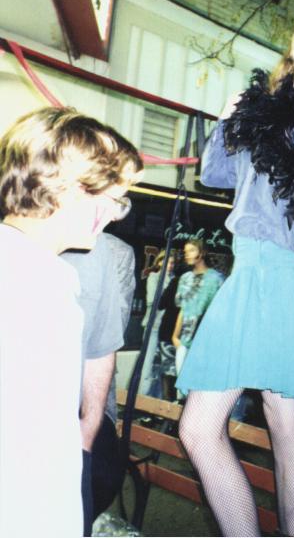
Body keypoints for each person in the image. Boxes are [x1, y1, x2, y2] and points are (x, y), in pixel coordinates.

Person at [176, 7, 294, 537]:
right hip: (247, 271)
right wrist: (228, 119)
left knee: (234, 428)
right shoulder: (262, 109)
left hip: (282, 273)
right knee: (279, 424)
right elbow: (215, 174)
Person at [0, 106, 143, 538]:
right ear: (66, 186)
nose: (115, 214)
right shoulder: (27, 280)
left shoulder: (49, 273)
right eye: (113, 198)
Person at [62, 232, 136, 534]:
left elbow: (108, 338)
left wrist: (89, 424)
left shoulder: (114, 252)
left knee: (99, 477)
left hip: (84, 396)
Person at [172, 239, 223, 391]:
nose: (187, 254)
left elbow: (220, 312)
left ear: (202, 253)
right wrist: (175, 336)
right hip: (185, 338)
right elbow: (183, 308)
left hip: (206, 338)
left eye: (191, 250)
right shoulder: (185, 278)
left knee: (200, 385)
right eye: (185, 251)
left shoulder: (216, 279)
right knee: (182, 384)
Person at [139, 250, 172, 396]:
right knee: (147, 363)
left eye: (172, 262)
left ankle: (154, 399)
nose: (170, 265)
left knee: (161, 367)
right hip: (153, 326)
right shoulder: (154, 277)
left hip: (167, 329)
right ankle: (141, 397)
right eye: (167, 261)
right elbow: (152, 300)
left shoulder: (174, 280)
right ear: (159, 262)